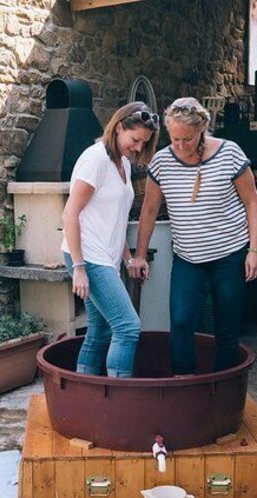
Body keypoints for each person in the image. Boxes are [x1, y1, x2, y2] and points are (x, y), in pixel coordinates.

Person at [131, 97, 257, 375]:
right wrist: (140, 255)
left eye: (187, 139)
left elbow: (252, 202)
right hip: (188, 259)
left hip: (229, 255)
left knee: (226, 326)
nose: (180, 146)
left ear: (202, 127)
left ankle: (223, 389)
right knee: (180, 322)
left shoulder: (230, 154)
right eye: (174, 139)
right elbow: (149, 210)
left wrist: (254, 250)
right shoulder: (162, 161)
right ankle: (184, 383)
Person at [61, 102, 160, 378]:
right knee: (127, 327)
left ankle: (84, 393)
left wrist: (128, 258)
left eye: (144, 142)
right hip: (88, 258)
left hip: (105, 256)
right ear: (118, 128)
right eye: (135, 139)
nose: (139, 147)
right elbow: (70, 213)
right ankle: (119, 395)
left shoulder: (123, 164)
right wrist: (79, 268)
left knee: (100, 329)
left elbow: (114, 222)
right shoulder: (96, 160)